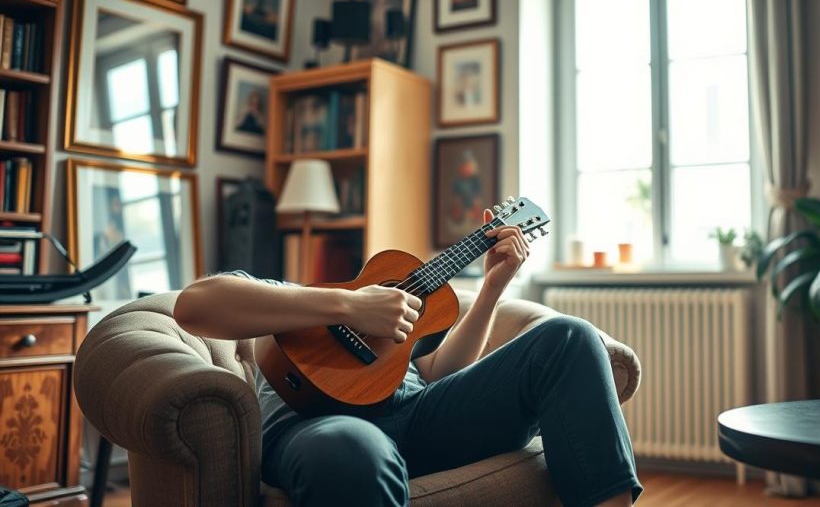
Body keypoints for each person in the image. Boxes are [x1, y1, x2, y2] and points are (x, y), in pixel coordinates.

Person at [173, 210, 642, 507]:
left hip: (416, 418)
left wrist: (492, 288)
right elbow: (194, 306)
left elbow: (442, 374)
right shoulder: (282, 298)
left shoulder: (409, 317)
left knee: (569, 336)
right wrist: (349, 306)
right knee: (353, 448)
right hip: (316, 426)